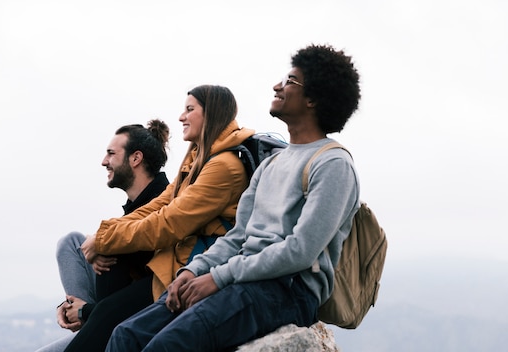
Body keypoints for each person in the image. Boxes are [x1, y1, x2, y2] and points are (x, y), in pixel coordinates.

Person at [105, 44, 362, 352]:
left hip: (286, 290)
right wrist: (192, 271)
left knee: (169, 345)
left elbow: (300, 251)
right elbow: (238, 235)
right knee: (126, 335)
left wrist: (219, 277)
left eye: (290, 81)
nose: (277, 86)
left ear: (313, 99)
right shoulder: (270, 164)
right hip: (242, 278)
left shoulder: (332, 164)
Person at [64, 84, 255, 352]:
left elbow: (168, 223)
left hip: (192, 270)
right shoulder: (198, 160)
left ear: (211, 114)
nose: (181, 117)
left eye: (190, 109)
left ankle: (87, 317)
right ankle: (86, 317)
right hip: (172, 266)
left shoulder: (224, 167)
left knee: (115, 324)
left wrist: (105, 241)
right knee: (78, 251)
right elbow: (158, 205)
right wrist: (103, 236)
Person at [36, 120, 170, 352]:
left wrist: (103, 245)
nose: (103, 161)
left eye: (111, 154)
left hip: (131, 314)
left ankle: (87, 318)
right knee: (72, 242)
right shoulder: (135, 206)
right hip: (107, 307)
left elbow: (140, 293)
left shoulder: (162, 203)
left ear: (135, 159)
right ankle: (80, 315)